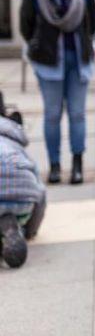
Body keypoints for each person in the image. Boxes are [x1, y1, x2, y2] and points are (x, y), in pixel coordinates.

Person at [19, 0, 95, 185]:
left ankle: (77, 165)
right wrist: (39, 49)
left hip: (78, 63)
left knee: (77, 114)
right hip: (48, 64)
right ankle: (54, 166)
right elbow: (26, 29)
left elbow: (92, 27)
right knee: (52, 115)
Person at [0, 94, 46, 268]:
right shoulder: (14, 138)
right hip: (21, 200)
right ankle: (13, 227)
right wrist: (31, 230)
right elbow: (40, 191)